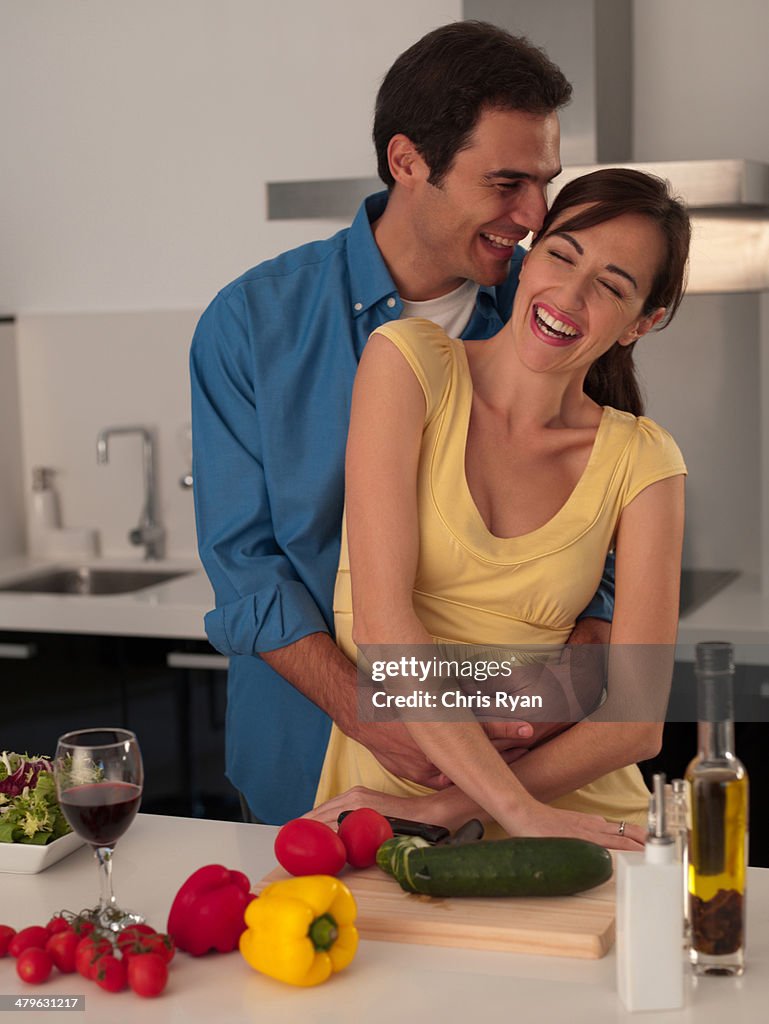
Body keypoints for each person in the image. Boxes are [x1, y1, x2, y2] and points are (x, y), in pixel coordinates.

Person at [190, 21, 616, 825]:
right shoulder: (251, 323)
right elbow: (246, 569)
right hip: (311, 757)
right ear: (407, 161)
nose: (534, 215)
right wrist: (367, 710)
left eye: (545, 182)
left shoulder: (557, 308)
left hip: (524, 766)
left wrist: (575, 671)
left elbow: (611, 520)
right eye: (505, 183)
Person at [311, 167, 690, 848]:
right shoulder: (407, 364)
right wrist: (515, 769)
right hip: (384, 807)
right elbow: (384, 626)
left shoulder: (644, 460)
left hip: (571, 819)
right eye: (560, 254)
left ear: (643, 322)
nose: (568, 295)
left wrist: (461, 809)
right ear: (529, 252)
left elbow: (636, 720)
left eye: (610, 285)